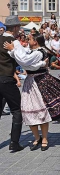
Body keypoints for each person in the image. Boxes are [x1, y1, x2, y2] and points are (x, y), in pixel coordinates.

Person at [5, 33, 60, 151]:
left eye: (30, 39)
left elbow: (27, 64)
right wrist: (15, 51)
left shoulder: (40, 52)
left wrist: (14, 49)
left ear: (35, 42)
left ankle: (45, 138)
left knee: (42, 112)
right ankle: (37, 137)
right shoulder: (29, 51)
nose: (28, 40)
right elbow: (23, 61)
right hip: (30, 83)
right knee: (28, 112)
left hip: (40, 82)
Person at [0, 16, 25, 151]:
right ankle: (14, 143)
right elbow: (22, 59)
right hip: (7, 80)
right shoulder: (14, 42)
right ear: (15, 28)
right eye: (19, 27)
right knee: (16, 110)